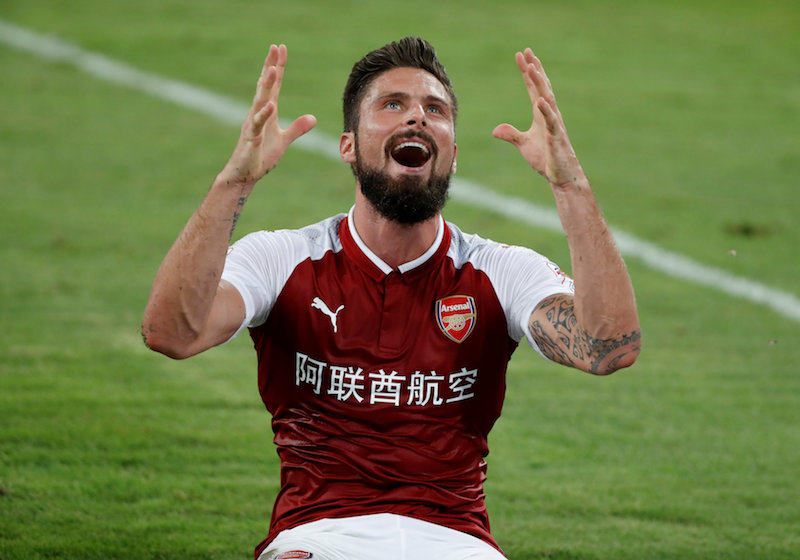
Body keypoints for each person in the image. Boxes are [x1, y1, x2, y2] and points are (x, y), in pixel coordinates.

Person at [142, 37, 641, 560]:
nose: (417, 119)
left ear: (453, 152)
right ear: (348, 145)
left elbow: (608, 347)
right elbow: (172, 333)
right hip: (318, 536)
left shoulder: (498, 270)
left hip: (456, 542)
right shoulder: (284, 258)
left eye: (435, 110)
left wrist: (571, 185)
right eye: (392, 104)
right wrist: (234, 181)